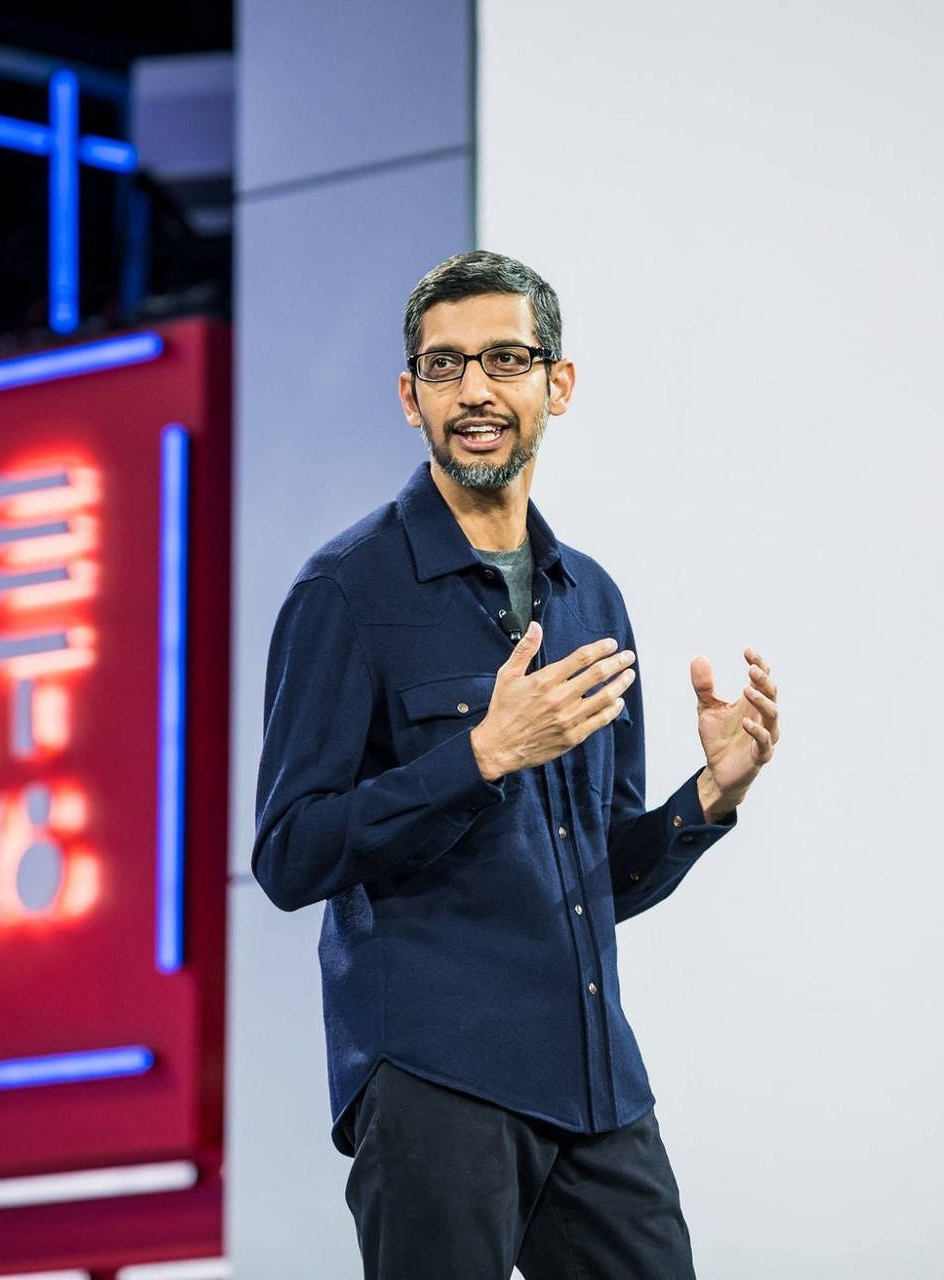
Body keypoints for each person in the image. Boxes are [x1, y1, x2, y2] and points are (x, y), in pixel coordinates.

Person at [252, 250, 780, 1278]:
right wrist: (482, 755)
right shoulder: (348, 590)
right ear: (411, 398)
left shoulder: (589, 597)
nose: (476, 390)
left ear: (557, 383)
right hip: (435, 1074)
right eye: (444, 367)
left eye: (505, 358)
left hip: (595, 1087)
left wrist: (707, 797)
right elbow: (289, 851)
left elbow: (596, 877)